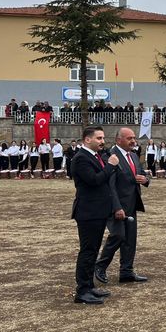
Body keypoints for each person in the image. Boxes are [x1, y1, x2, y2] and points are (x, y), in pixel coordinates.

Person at [70, 126, 120, 304]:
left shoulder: (95, 156)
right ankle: (82, 291)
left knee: (93, 251)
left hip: (98, 211)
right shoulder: (81, 159)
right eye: (98, 138)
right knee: (88, 251)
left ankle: (89, 286)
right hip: (88, 212)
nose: (102, 141)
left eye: (103, 138)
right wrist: (110, 166)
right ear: (87, 140)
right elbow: (94, 180)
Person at [95, 127, 150, 285]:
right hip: (116, 205)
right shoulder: (110, 156)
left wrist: (145, 180)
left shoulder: (133, 155)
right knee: (118, 235)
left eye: (134, 138)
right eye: (129, 138)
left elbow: (141, 173)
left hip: (132, 204)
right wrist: (117, 207)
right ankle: (100, 265)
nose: (133, 141)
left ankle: (126, 271)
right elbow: (110, 185)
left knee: (130, 239)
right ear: (119, 140)